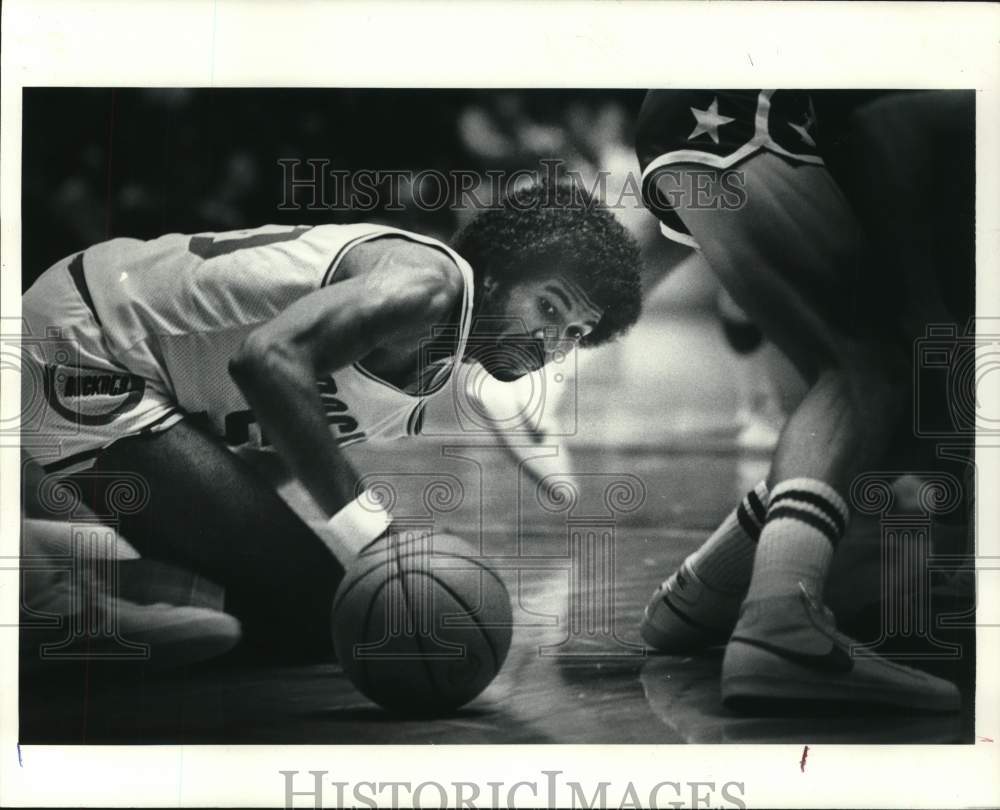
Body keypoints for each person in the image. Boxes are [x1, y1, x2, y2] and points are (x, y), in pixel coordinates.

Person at [20, 180, 643, 665]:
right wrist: (375, 535)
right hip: (89, 342)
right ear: (503, 271)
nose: (551, 341)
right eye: (548, 306)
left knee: (304, 610)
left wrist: (233, 515)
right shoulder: (430, 284)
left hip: (141, 362)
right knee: (323, 622)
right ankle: (47, 595)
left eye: (575, 333)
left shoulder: (442, 358)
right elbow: (268, 360)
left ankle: (45, 556)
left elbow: (273, 439)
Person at [635, 90, 974, 712]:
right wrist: (926, 320)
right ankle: (781, 622)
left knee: (890, 407)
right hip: (749, 116)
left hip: (735, 118)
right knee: (869, 370)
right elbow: (893, 125)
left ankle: (704, 595)